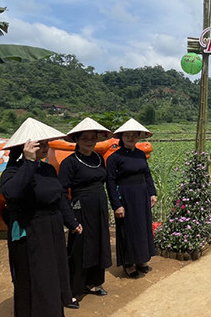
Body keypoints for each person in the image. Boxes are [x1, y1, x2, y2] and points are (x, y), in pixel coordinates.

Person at [0, 118, 83, 317]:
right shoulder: (12, 171)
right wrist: (28, 162)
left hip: (52, 228)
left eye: (46, 145)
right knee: (31, 280)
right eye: (40, 145)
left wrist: (72, 222)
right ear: (24, 147)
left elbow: (59, 198)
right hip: (29, 232)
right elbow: (14, 194)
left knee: (55, 274)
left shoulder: (47, 169)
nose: (45, 149)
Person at [59, 118, 114, 303]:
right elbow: (62, 192)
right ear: (76, 140)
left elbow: (108, 183)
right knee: (79, 247)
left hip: (99, 206)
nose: (90, 141)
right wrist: (70, 220)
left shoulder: (98, 159)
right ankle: (73, 290)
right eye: (85, 138)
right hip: (80, 207)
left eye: (93, 138)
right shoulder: (70, 163)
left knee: (98, 243)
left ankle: (93, 282)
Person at [107, 118, 157, 278]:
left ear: (138, 137)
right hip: (126, 196)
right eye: (127, 135)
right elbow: (110, 182)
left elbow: (147, 175)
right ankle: (128, 263)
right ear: (121, 137)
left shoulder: (141, 154)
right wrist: (117, 205)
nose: (130, 138)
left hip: (142, 195)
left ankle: (142, 260)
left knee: (142, 227)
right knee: (128, 229)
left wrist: (152, 193)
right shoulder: (114, 158)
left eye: (134, 135)